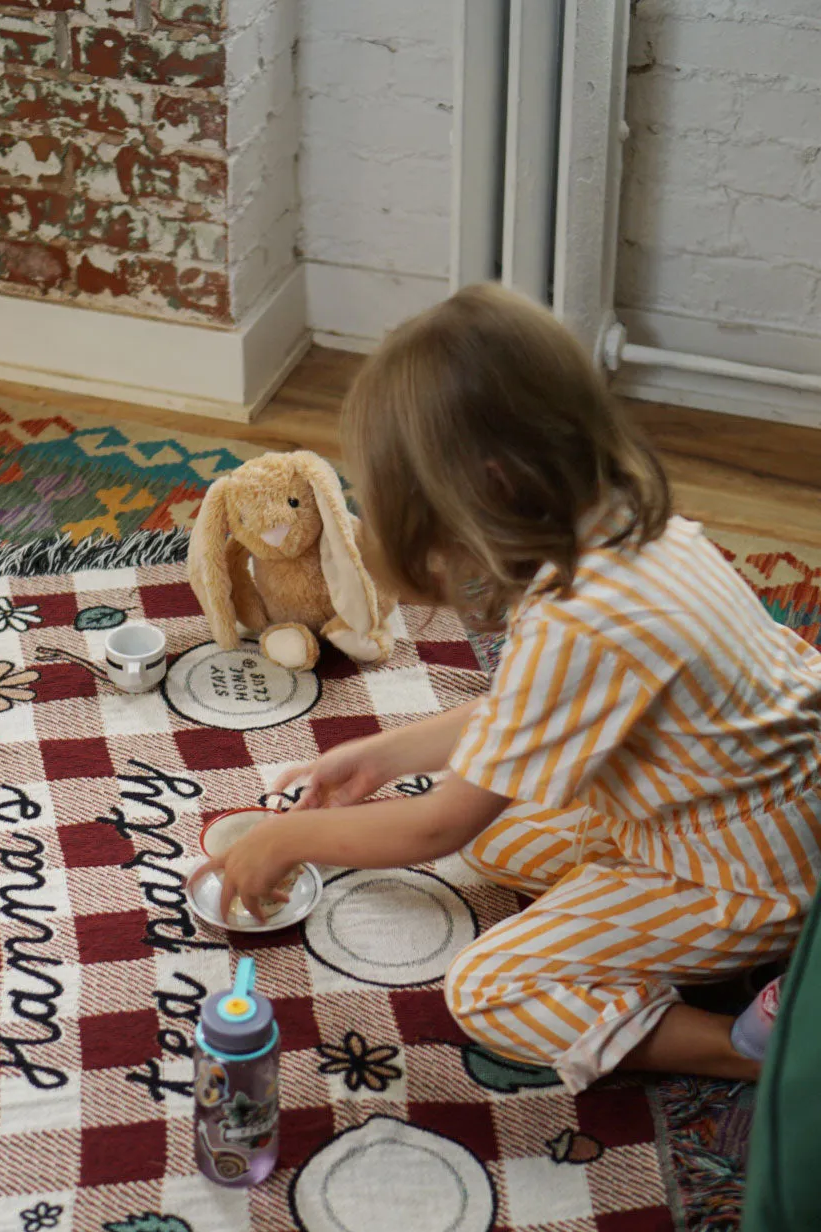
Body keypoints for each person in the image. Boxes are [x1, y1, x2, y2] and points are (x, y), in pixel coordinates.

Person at [199, 284, 821, 1092]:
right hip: (743, 802)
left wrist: (284, 841)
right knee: (502, 841)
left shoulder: (584, 622)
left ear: (482, 491)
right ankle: (672, 949)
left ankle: (756, 1049)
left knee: (490, 988)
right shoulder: (617, 526)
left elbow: (435, 831)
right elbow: (523, 715)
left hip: (743, 874)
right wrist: (382, 756)